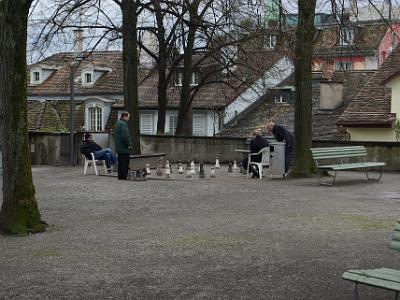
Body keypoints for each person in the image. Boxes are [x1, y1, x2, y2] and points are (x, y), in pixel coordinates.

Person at [114, 112, 132, 180]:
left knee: (120, 163)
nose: (128, 119)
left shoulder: (118, 123)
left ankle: (120, 176)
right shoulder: (123, 124)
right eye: (128, 117)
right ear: (124, 116)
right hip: (124, 147)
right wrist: (129, 144)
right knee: (125, 162)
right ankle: (124, 176)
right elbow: (125, 136)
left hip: (119, 147)